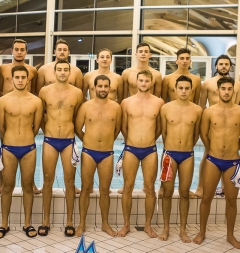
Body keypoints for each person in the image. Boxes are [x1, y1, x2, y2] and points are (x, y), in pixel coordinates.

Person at [193, 77, 240, 249]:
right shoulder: (209, 112)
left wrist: (233, 150)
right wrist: (212, 150)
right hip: (213, 160)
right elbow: (204, 134)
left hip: (233, 162)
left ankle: (230, 235)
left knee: (231, 200)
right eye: (223, 88)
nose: (226, 92)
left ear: (234, 91)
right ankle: (202, 232)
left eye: (229, 89)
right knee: (206, 198)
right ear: (217, 91)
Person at [0, 65, 43, 239]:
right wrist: (11, 139)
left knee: (27, 186)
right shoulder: (3, 101)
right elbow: (1, 127)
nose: (21, 80)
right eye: (17, 77)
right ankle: (4, 223)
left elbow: (36, 127)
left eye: (24, 77)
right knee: (7, 187)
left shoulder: (36, 101)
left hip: (28, 148)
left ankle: (27, 223)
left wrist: (25, 138)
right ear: (12, 79)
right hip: (9, 148)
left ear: (28, 79)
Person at [38, 60, 83, 237]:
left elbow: (78, 117)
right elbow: (40, 115)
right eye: (60, 70)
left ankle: (70, 221)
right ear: (54, 72)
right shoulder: (44, 91)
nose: (63, 72)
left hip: (68, 141)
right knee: (47, 181)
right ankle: (46, 220)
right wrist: (47, 131)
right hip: (50, 140)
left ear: (70, 72)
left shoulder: (77, 93)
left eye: (66, 70)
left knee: (70, 182)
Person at [117, 70, 164, 238]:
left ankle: (148, 225)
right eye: (141, 80)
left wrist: (149, 139)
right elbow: (124, 127)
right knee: (127, 187)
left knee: (150, 188)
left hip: (150, 150)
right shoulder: (126, 102)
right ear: (136, 82)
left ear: (151, 83)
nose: (143, 83)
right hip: (131, 149)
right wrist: (132, 141)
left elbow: (159, 127)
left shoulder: (159, 103)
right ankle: (126, 224)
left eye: (146, 81)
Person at [74, 75, 122, 237]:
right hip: (88, 152)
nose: (102, 89)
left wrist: (106, 142)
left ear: (109, 88)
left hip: (107, 154)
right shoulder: (85, 106)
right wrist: (88, 141)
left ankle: (105, 224)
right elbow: (78, 128)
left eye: (105, 86)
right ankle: (81, 223)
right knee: (86, 189)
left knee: (104, 190)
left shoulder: (116, 107)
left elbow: (117, 130)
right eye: (99, 86)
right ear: (94, 88)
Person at [158, 75, 202, 242]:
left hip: (187, 155)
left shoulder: (197, 110)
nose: (183, 91)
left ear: (191, 90)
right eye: (180, 88)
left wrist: (186, 147)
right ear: (175, 89)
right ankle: (166, 227)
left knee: (184, 193)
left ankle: (183, 229)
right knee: (167, 193)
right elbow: (163, 133)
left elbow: (197, 134)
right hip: (169, 154)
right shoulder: (165, 108)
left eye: (187, 88)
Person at [0, 39, 40, 195]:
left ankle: (31, 183)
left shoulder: (32, 71)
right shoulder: (3, 69)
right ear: (12, 51)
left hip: (24, 110)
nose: (19, 52)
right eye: (16, 49)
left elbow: (34, 91)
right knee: (3, 147)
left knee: (28, 148)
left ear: (26, 52)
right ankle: (1, 181)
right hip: (7, 109)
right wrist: (8, 102)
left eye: (22, 49)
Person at [195, 55, 240, 198]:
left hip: (229, 126)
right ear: (216, 66)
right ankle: (200, 187)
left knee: (229, 154)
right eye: (221, 64)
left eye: (226, 64)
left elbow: (236, 105)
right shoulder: (208, 84)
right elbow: (202, 106)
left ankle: (224, 187)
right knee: (207, 154)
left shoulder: (237, 85)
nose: (223, 66)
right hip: (212, 124)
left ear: (230, 66)